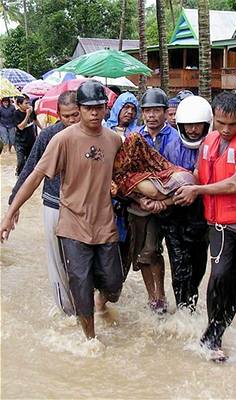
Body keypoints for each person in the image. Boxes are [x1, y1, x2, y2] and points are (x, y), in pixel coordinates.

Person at [1, 81, 124, 340]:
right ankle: (91, 340)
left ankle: (102, 303)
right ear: (79, 109)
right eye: (88, 108)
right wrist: (11, 211)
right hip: (73, 224)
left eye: (99, 107)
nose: (93, 113)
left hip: (104, 224)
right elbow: (35, 175)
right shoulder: (62, 139)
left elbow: (125, 177)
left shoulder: (114, 140)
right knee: (80, 285)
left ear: (105, 109)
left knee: (113, 284)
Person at [174, 92, 236, 362]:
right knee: (218, 276)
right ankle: (213, 336)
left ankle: (215, 332)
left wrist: (197, 190)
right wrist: (175, 182)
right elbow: (199, 173)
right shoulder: (210, 140)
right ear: (213, 118)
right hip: (218, 224)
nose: (226, 130)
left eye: (233, 124)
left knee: (235, 283)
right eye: (221, 123)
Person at [8, 90, 80, 316]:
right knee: (58, 263)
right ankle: (67, 312)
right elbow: (30, 170)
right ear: (58, 114)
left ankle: (86, 305)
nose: (71, 121)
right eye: (67, 116)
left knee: (81, 263)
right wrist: (14, 203)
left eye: (76, 115)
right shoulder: (48, 135)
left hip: (82, 207)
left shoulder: (94, 135)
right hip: (53, 204)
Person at [127, 87, 182, 313]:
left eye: (156, 110)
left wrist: (164, 201)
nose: (151, 115)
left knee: (158, 252)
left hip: (170, 205)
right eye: (147, 110)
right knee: (143, 252)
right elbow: (125, 172)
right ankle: (155, 297)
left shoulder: (176, 138)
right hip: (140, 205)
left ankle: (161, 294)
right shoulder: (135, 137)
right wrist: (139, 199)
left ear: (165, 111)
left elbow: (181, 174)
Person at [157, 95, 212, 313]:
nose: (193, 130)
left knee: (198, 268)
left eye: (197, 125)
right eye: (188, 125)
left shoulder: (213, 146)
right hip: (175, 217)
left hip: (202, 218)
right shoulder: (170, 146)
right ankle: (183, 312)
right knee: (179, 268)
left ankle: (191, 305)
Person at [106, 91, 140, 277]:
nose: (129, 112)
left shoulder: (137, 134)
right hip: (106, 193)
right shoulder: (104, 131)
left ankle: (117, 280)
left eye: (133, 109)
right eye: (125, 107)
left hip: (128, 195)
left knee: (125, 240)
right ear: (117, 108)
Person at [14, 95, 37, 175]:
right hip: (20, 141)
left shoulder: (31, 111)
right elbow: (21, 127)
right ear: (19, 104)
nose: (28, 105)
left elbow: (35, 120)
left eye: (28, 103)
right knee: (21, 161)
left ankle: (26, 175)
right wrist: (27, 115)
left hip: (31, 140)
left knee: (30, 160)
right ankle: (19, 174)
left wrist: (42, 129)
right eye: (26, 103)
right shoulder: (16, 114)